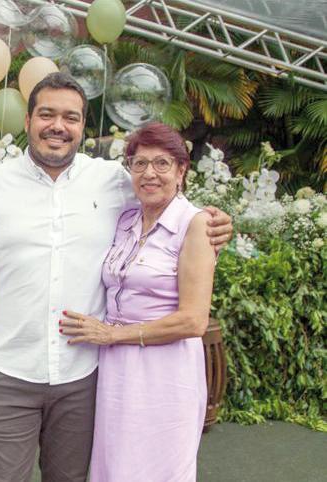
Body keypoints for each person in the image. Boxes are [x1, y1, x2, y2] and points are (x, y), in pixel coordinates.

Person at [0, 73, 232, 482]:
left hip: (83, 376)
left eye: (71, 117)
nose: (58, 126)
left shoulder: (112, 181)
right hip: (10, 370)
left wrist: (212, 221)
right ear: (27, 121)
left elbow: (167, 200)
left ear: (83, 127)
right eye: (47, 114)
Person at [61, 122, 215, 481]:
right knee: (115, 467)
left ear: (181, 171)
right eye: (140, 163)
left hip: (166, 373)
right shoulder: (127, 219)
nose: (150, 173)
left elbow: (194, 321)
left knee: (158, 468)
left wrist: (113, 334)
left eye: (162, 164)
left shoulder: (195, 225)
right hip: (117, 371)